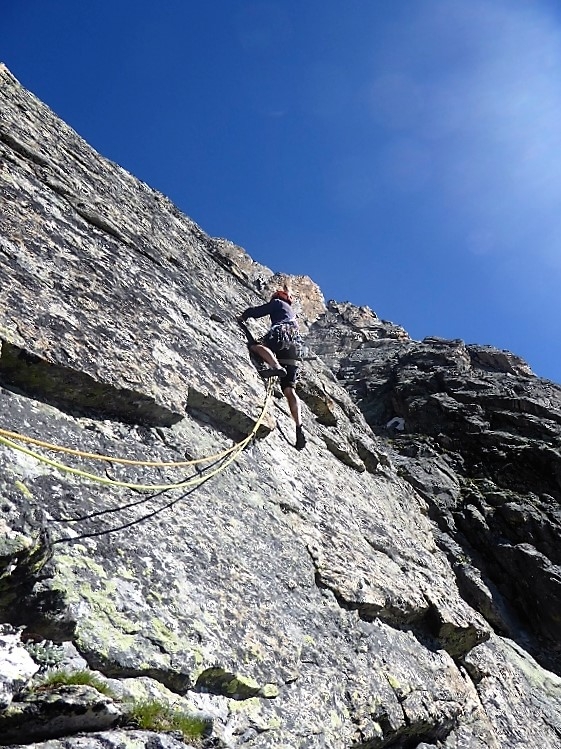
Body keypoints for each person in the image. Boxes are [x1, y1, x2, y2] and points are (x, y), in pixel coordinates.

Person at [238, 285, 307, 450]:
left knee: (255, 346)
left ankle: (275, 366)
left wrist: (243, 316)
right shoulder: (291, 313)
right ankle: (299, 427)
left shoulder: (277, 303)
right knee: (290, 390)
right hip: (296, 347)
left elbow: (257, 311)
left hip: (282, 333)